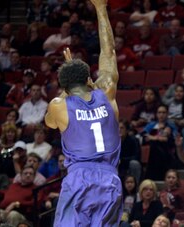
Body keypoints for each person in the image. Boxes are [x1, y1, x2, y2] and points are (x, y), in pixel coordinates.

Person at [44, 0, 123, 225]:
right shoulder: (107, 92)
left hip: (79, 179)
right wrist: (100, 8)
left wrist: (67, 79)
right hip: (110, 179)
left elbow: (50, 123)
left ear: (65, 86)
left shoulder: (59, 104)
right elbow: (109, 51)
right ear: (89, 79)